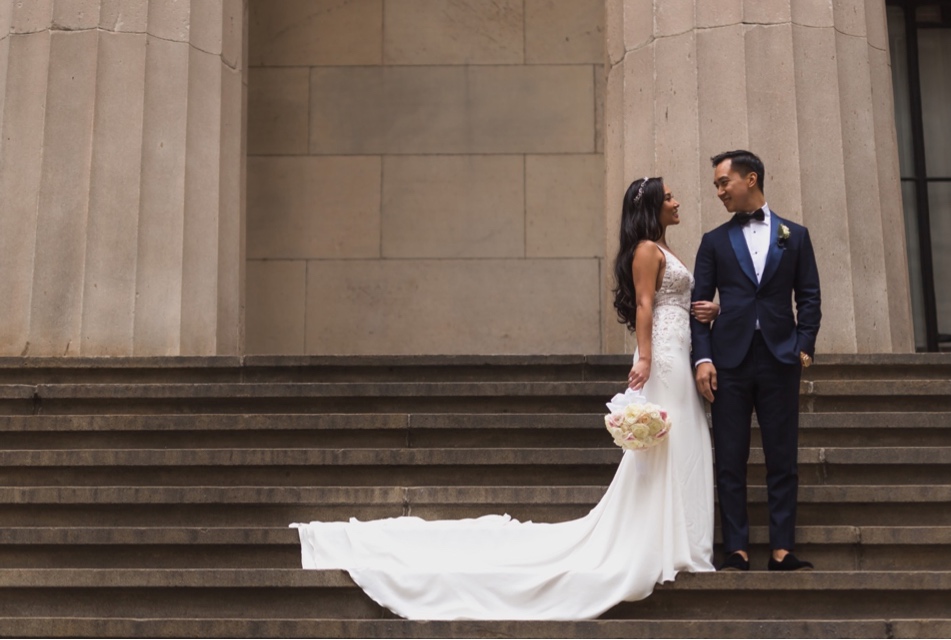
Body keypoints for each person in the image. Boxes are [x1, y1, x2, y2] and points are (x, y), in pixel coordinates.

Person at [291, 177, 722, 620]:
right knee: (669, 444)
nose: (676, 201)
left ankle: (681, 539)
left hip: (680, 348)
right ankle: (668, 543)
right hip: (665, 358)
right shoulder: (647, 251)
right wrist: (646, 358)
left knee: (683, 444)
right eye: (668, 196)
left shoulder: (664, 249)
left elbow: (674, 302)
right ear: (652, 206)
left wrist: (712, 311)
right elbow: (645, 305)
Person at [691, 150, 821, 572]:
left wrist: (804, 343)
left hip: (780, 357)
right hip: (728, 360)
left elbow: (809, 296)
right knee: (730, 457)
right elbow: (698, 307)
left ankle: (783, 549)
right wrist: (703, 358)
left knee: (782, 456)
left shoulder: (794, 235)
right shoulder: (713, 241)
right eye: (716, 185)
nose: (718, 192)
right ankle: (737, 550)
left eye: (723, 182)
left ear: (750, 179)